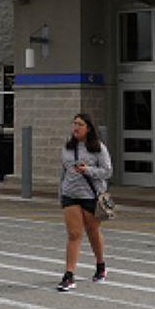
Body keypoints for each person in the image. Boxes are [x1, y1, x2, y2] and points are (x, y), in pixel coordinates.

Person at [56, 112, 112, 292]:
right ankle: (69, 275)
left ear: (88, 128)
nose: (76, 127)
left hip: (90, 196)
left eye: (80, 124)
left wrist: (87, 170)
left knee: (93, 232)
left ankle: (101, 265)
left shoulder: (98, 148)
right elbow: (63, 172)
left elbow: (107, 171)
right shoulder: (67, 147)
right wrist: (61, 193)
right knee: (74, 234)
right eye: (74, 124)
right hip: (70, 195)